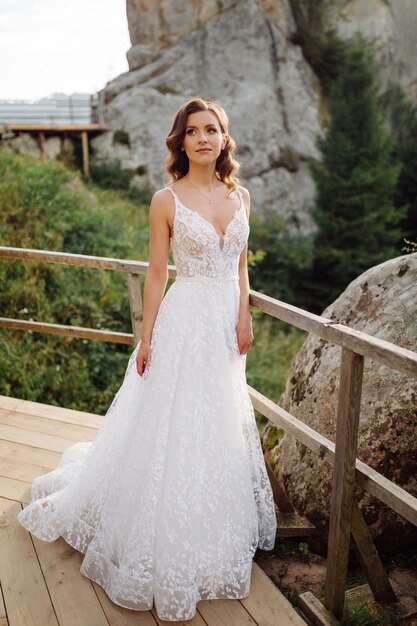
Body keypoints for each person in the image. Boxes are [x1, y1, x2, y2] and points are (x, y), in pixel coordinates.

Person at [17, 97, 277, 622]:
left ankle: (210, 527)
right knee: (174, 424)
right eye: (193, 131)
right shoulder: (166, 200)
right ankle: (157, 533)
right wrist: (147, 338)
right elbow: (158, 275)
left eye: (213, 130)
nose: (204, 138)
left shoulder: (240, 195)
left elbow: (242, 263)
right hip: (185, 322)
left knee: (218, 422)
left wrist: (245, 312)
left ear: (225, 140)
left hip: (226, 323)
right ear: (180, 142)